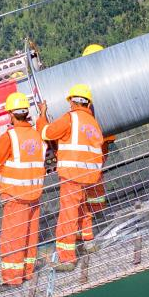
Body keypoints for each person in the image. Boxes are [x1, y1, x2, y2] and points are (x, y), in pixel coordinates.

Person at [0, 92, 48, 287]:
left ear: (11, 115)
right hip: (34, 195)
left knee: (12, 239)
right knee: (30, 236)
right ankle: (27, 273)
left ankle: (12, 280)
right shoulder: (37, 135)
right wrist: (43, 115)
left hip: (15, 196)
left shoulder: (9, 137)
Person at [42, 83, 105, 271]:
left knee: (67, 216)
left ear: (72, 102)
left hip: (72, 175)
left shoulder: (71, 118)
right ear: (87, 104)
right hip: (89, 176)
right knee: (83, 208)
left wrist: (42, 116)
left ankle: (67, 259)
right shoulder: (93, 123)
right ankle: (88, 240)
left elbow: (47, 133)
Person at [79, 45, 117, 232]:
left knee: (91, 178)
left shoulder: (87, 85)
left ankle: (93, 215)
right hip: (101, 138)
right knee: (95, 176)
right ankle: (96, 213)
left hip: (94, 140)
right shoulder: (107, 79)